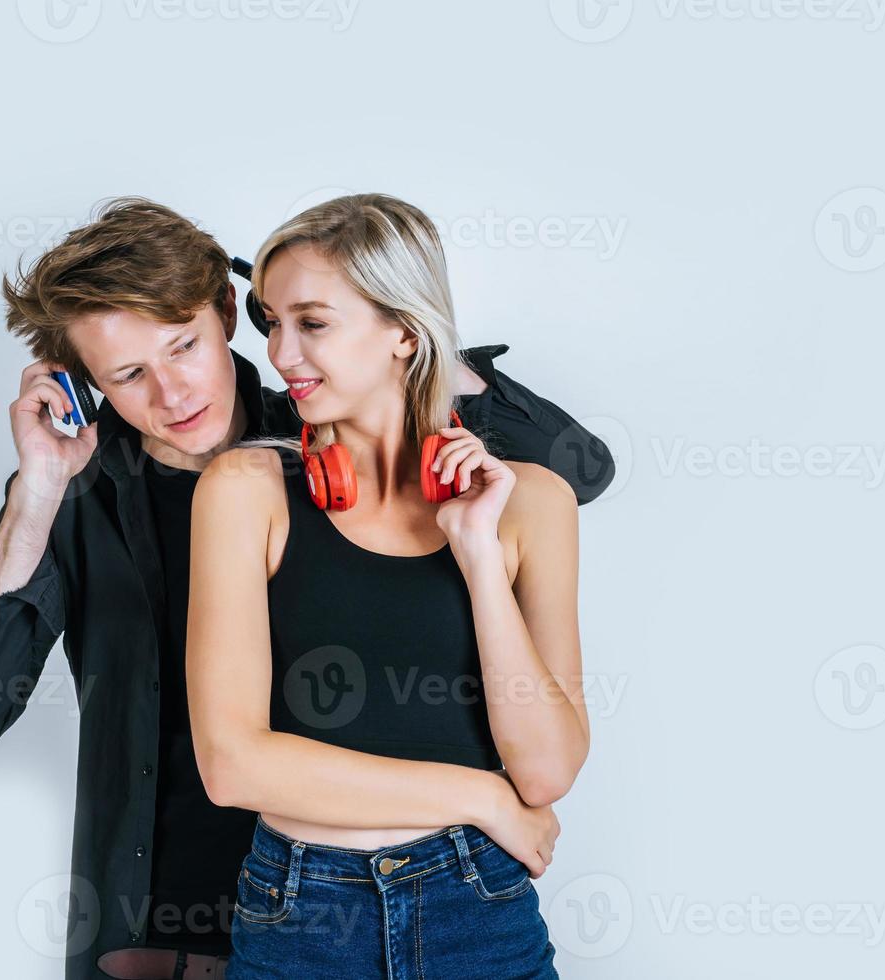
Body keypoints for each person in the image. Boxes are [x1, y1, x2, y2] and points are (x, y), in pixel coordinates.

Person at [0, 197, 613, 980]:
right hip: (163, 933)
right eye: (128, 374)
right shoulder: (69, 492)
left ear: (227, 312)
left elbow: (579, 472)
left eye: (184, 347)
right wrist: (38, 490)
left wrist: (403, 325)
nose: (173, 393)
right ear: (88, 386)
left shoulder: (319, 420)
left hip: (359, 886)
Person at [185, 194, 589, 978]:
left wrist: (476, 559)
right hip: (301, 915)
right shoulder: (246, 489)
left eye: (312, 322)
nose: (281, 353)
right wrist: (484, 800)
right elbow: (233, 765)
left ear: (405, 330)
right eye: (271, 322)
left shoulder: (532, 502)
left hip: (480, 910)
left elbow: (546, 771)